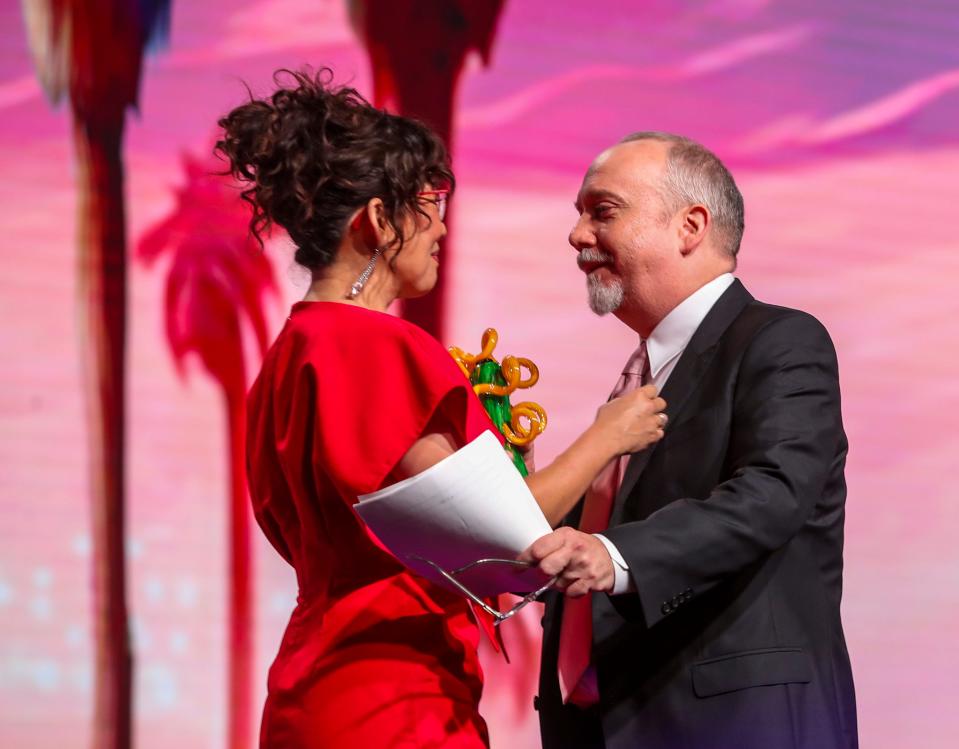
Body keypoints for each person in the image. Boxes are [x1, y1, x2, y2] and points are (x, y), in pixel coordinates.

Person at [216, 70, 667, 749]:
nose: (443, 227)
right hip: (391, 698)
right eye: (428, 204)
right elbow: (496, 531)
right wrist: (607, 436)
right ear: (377, 220)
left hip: (318, 684)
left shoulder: (288, 355)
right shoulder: (374, 346)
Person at [523, 132, 858, 749]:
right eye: (578, 214)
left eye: (603, 211)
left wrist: (612, 556)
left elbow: (772, 493)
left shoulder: (780, 342)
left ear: (690, 226)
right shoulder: (641, 376)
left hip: (732, 727)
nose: (577, 236)